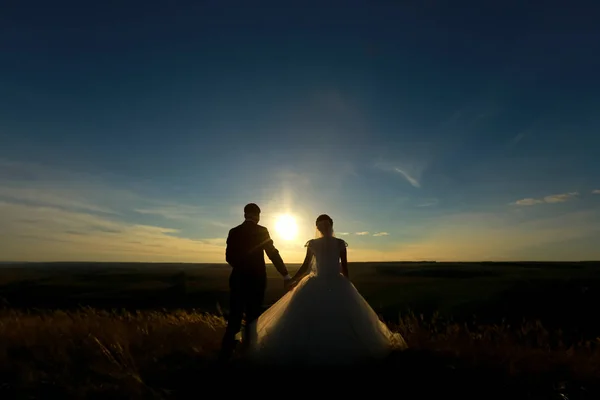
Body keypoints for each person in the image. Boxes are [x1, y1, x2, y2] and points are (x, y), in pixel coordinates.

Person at [248, 214, 407, 365]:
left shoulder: (313, 243)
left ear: (318, 227)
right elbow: (344, 268)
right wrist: (348, 286)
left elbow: (305, 267)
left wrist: (293, 280)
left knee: (305, 318)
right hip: (337, 283)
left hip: (314, 283)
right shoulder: (339, 243)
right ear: (331, 226)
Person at [219, 203, 292, 361]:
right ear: (258, 216)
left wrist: (241, 267)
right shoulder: (262, 231)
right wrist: (285, 274)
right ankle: (250, 352)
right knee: (253, 316)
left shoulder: (234, 231)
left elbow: (228, 257)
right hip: (257, 280)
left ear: (245, 214)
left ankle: (227, 354)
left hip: (238, 279)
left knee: (235, 317)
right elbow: (273, 253)